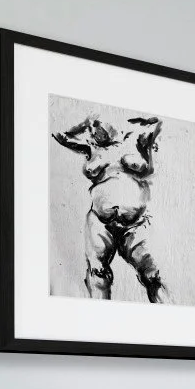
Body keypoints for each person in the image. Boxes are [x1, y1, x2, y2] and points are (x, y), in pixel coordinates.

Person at [52, 114, 170, 303]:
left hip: (136, 225)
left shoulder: (136, 140)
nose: (95, 127)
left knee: (153, 276)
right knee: (97, 274)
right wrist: (83, 125)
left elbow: (157, 123)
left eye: (98, 122)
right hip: (100, 222)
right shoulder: (90, 148)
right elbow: (59, 134)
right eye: (92, 125)